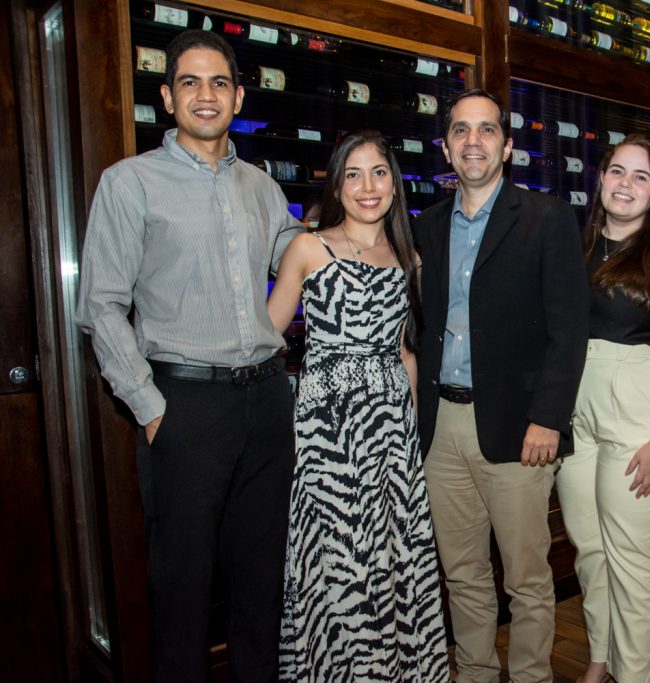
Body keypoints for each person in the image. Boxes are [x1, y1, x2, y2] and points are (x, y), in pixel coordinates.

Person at [76, 30, 302, 682]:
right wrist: (151, 410)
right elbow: (101, 306)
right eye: (191, 82)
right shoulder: (130, 183)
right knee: (182, 592)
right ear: (167, 97)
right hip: (184, 407)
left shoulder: (261, 187)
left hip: (266, 401)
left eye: (219, 82)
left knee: (261, 583)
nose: (207, 95)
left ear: (237, 95)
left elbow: (303, 259)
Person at [414, 88, 590, 683]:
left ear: (507, 145)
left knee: (527, 576)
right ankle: (477, 674)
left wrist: (550, 418)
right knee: (461, 572)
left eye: (486, 130)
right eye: (461, 130)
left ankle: (533, 677)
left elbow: (569, 332)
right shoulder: (428, 226)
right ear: (446, 146)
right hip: (440, 426)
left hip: (520, 426)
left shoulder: (546, 219)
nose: (473, 142)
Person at [269, 131, 448, 681]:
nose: (367, 186)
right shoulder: (308, 248)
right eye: (353, 174)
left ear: (394, 183)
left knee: (392, 556)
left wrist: (412, 436)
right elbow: (265, 338)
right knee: (338, 558)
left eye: (378, 173)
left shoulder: (407, 258)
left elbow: (404, 352)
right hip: (329, 431)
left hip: (391, 430)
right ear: (336, 183)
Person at [555, 136, 650, 683]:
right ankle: (601, 657)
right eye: (617, 171)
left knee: (633, 560)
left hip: (640, 419)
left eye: (640, 177)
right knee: (590, 549)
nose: (625, 183)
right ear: (600, 180)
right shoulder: (578, 246)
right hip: (579, 418)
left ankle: (634, 674)